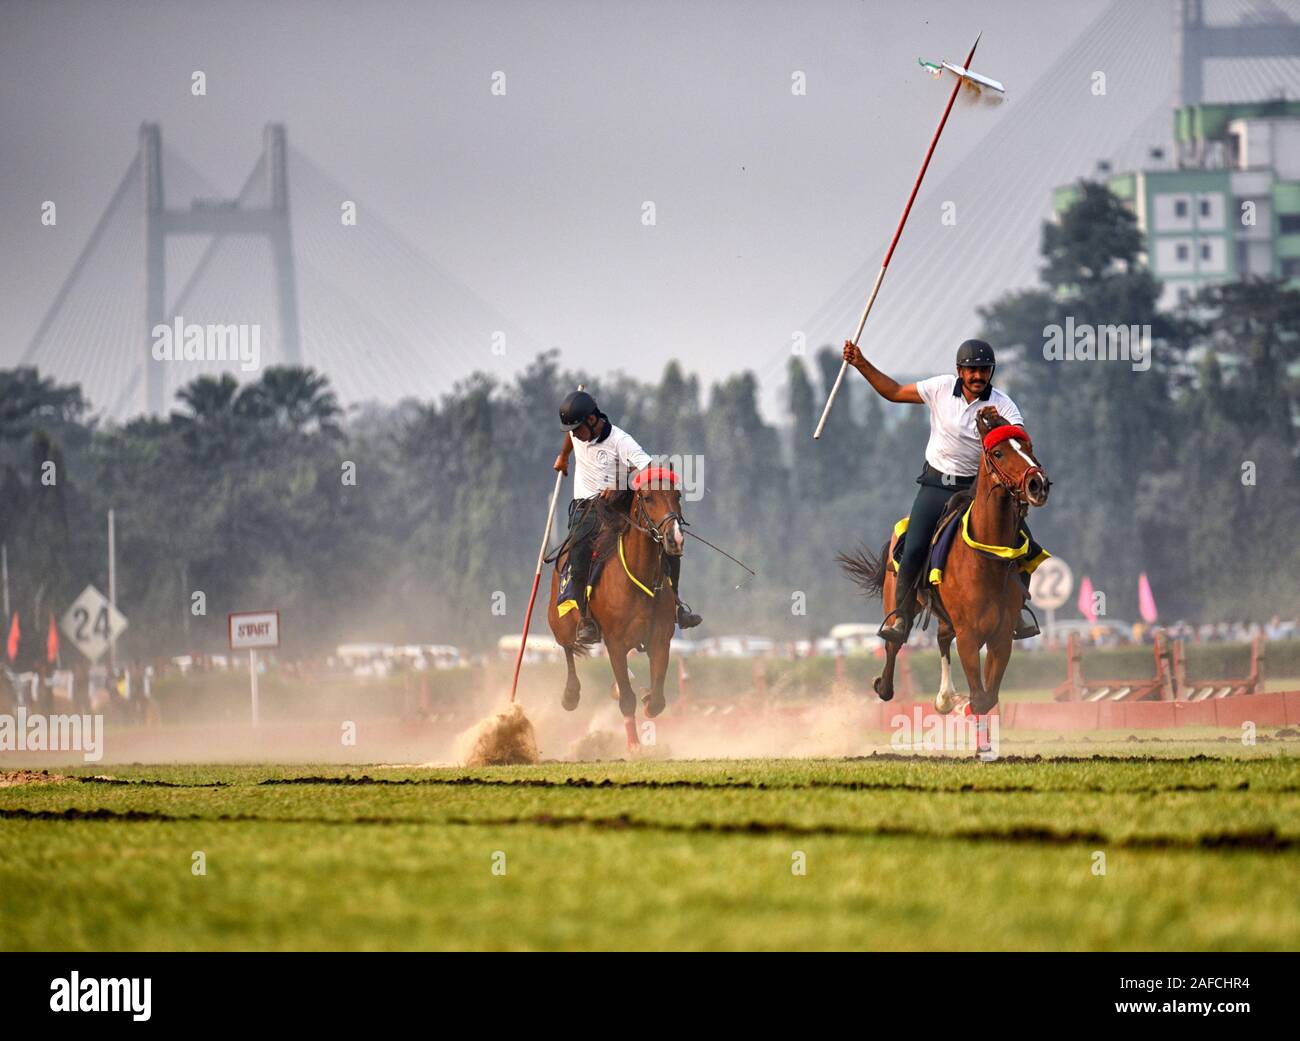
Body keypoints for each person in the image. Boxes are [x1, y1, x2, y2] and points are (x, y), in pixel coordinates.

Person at [841, 337, 1041, 644]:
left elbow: (1017, 442)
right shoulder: (940, 389)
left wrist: (1001, 429)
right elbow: (893, 392)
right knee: (915, 546)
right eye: (971, 371)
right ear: (959, 371)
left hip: (978, 491)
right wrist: (860, 362)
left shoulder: (1002, 404)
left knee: (1022, 545)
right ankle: (902, 617)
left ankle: (1017, 611)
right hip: (936, 485)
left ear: (991, 371)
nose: (978, 377)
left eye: (984, 370)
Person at [553, 389, 702, 642]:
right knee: (577, 550)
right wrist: (564, 456)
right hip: (584, 507)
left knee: (667, 540)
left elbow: (650, 471)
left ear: (592, 420)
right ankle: (586, 619)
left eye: (578, 428)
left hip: (616, 505)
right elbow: (571, 437)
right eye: (572, 430)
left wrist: (621, 484)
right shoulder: (577, 433)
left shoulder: (621, 441)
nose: (575, 434)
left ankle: (676, 604)